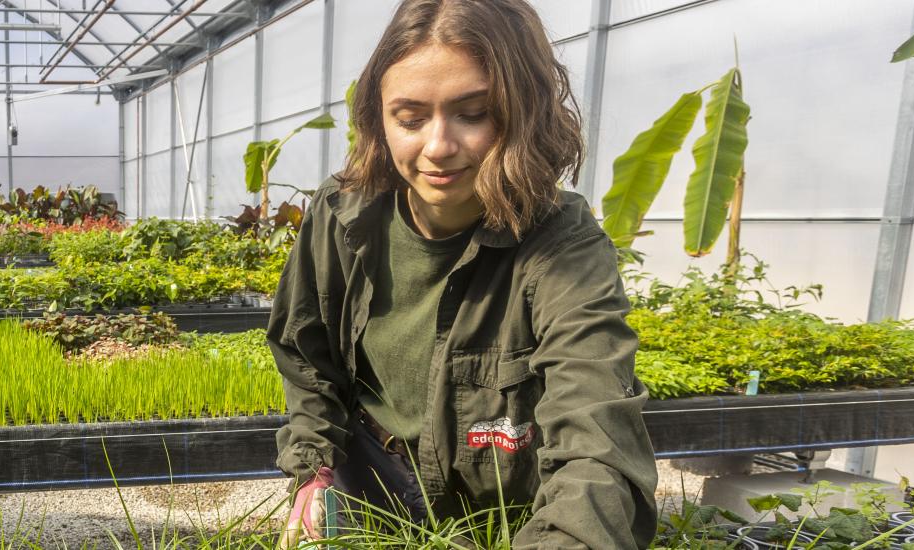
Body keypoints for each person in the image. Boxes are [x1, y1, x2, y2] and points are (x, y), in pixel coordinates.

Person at [270, 0, 658, 547]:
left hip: (505, 511)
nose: (438, 147)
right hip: (371, 485)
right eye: (409, 118)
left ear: (522, 110)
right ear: (378, 119)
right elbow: (308, 356)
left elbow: (595, 439)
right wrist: (313, 467)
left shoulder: (563, 246)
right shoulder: (342, 215)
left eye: (473, 114)